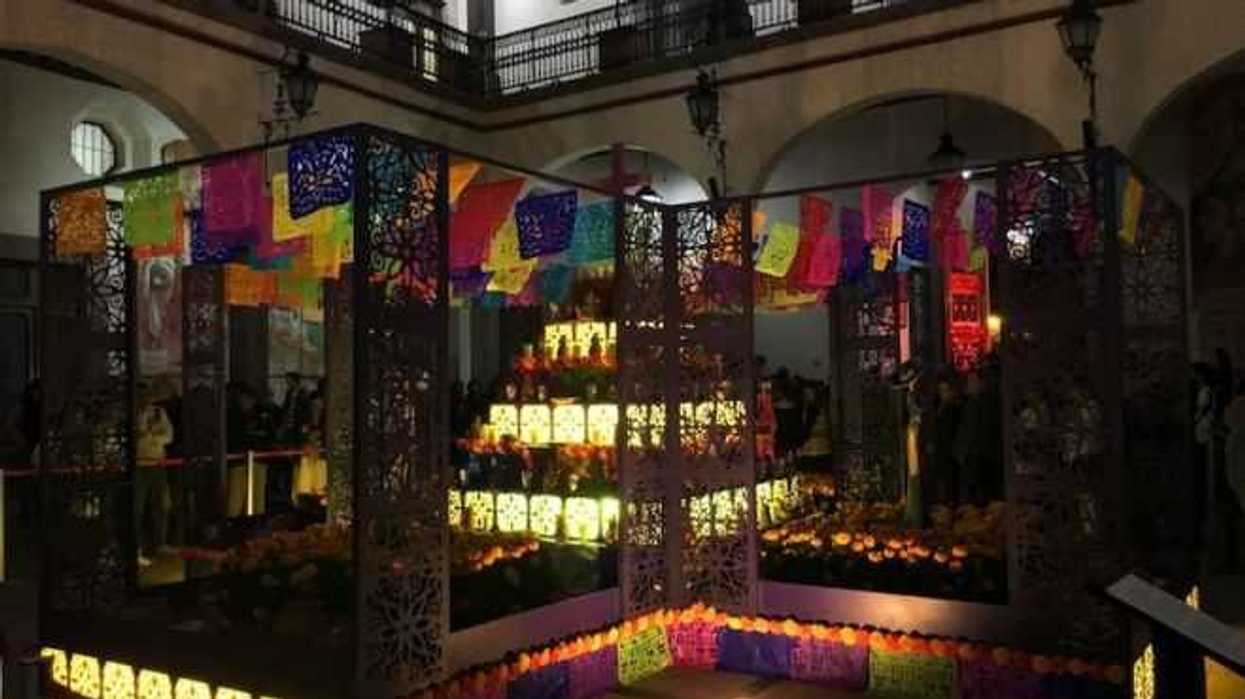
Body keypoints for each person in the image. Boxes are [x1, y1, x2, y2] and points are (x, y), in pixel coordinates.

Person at [135, 383, 173, 567]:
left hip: (157, 464)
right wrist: (149, 436)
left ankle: (159, 543)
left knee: (161, 505)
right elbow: (137, 436)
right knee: (137, 507)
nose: (147, 398)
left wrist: (150, 437)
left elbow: (168, 436)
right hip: (138, 465)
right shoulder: (132, 413)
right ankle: (137, 548)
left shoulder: (158, 412)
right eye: (142, 394)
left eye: (148, 394)